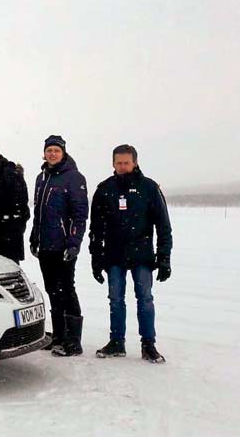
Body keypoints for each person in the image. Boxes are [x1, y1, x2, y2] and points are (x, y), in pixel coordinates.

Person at [89, 144, 172, 363]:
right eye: (119, 163)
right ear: (113, 163)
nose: (122, 166)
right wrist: (96, 259)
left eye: (126, 162)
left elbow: (164, 226)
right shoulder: (104, 189)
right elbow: (96, 229)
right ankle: (117, 341)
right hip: (114, 255)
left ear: (135, 162)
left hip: (141, 255)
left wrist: (164, 258)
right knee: (115, 299)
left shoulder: (149, 188)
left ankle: (148, 344)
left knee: (145, 299)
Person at [29, 135, 89, 356]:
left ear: (63, 153)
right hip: (46, 245)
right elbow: (39, 213)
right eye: (49, 150)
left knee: (66, 289)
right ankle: (59, 335)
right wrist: (35, 237)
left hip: (64, 245)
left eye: (56, 150)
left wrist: (74, 243)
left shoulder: (74, 177)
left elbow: (80, 215)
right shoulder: (41, 177)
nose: (52, 154)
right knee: (53, 290)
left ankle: (73, 341)